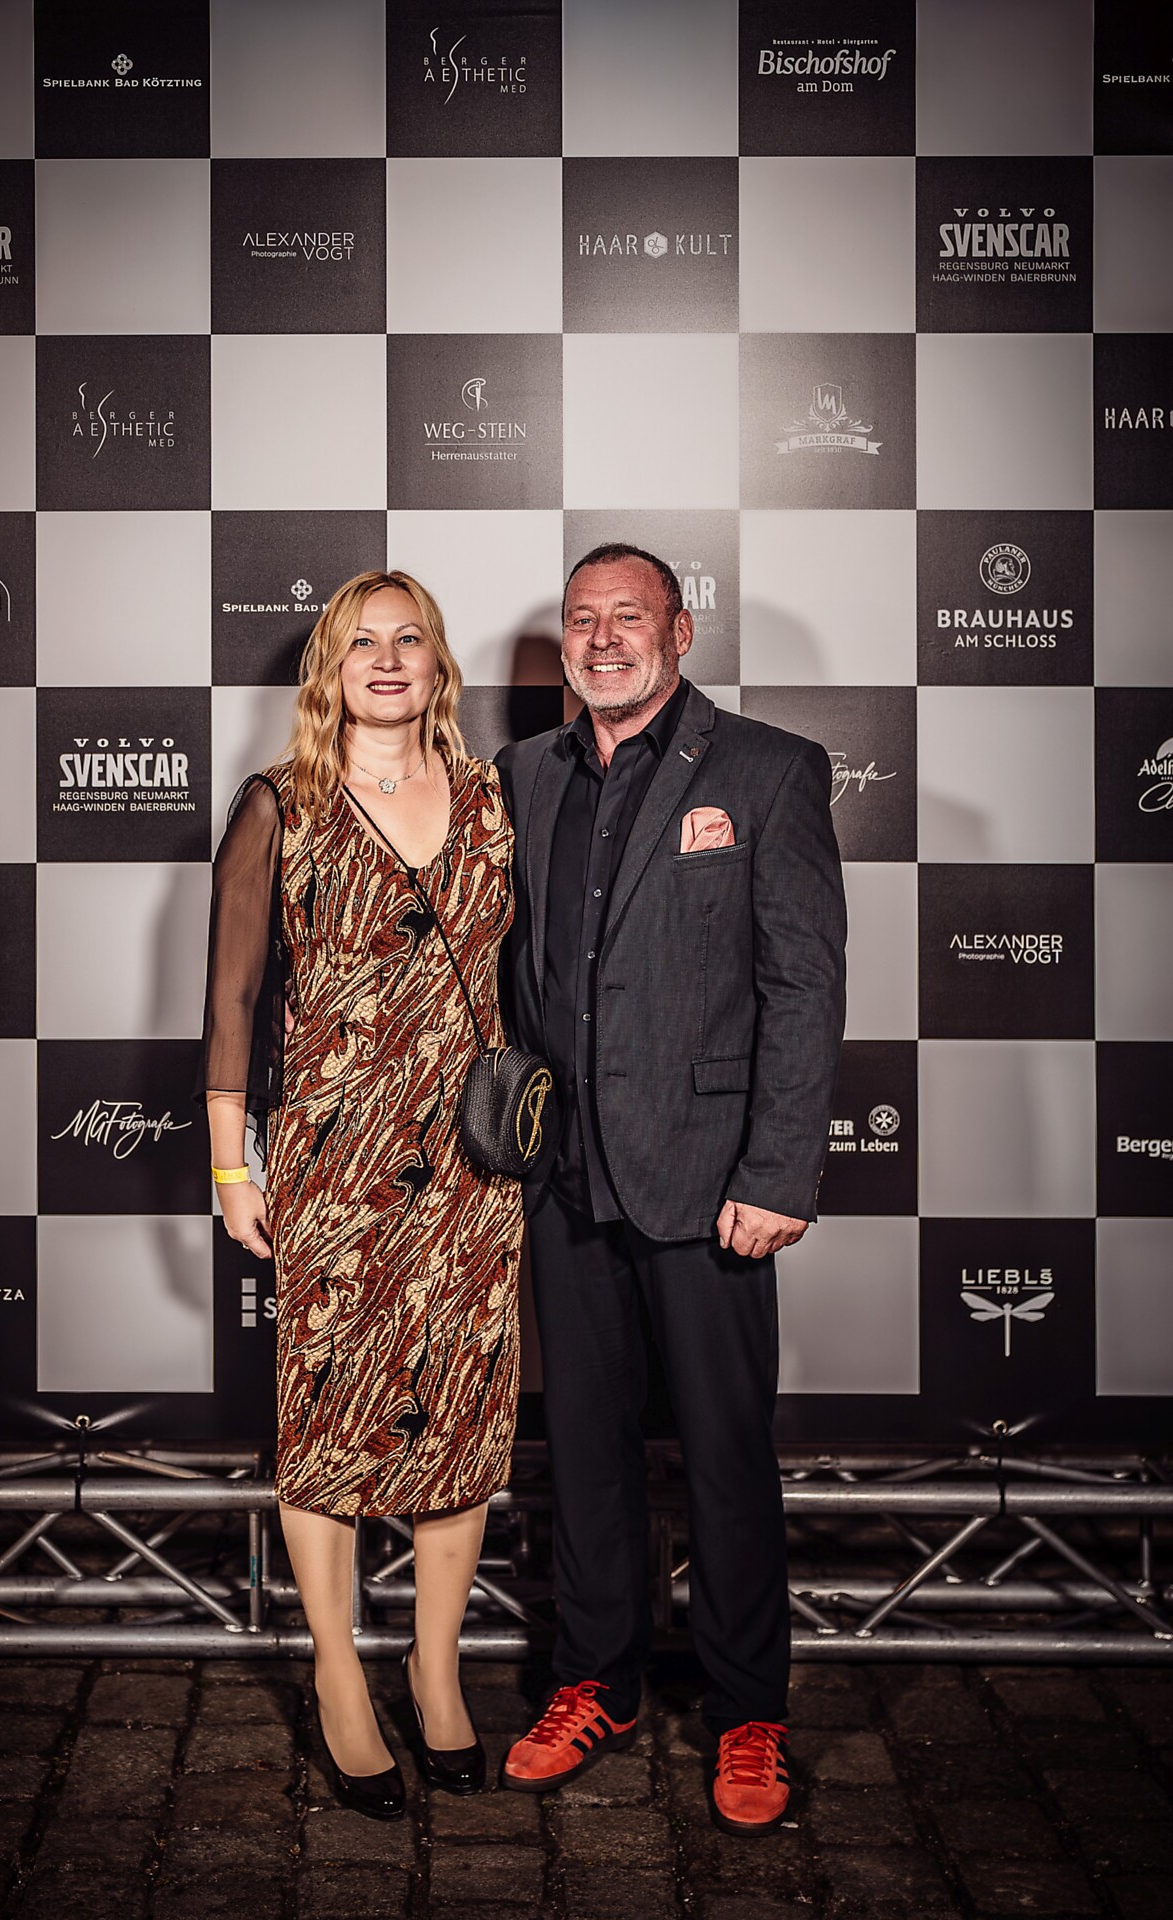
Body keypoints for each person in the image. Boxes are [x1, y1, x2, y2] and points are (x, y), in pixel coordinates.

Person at [495, 544, 846, 1833]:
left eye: (626, 617)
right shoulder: (522, 774)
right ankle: (596, 1682)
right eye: (581, 620)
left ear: (679, 631)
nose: (601, 640)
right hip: (563, 1178)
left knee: (724, 1454)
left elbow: (802, 986)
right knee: (582, 1449)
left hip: (709, 1184)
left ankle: (750, 1709)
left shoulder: (767, 769)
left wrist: (777, 1171)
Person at [200, 570, 523, 1820]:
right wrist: (232, 1167)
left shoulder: (495, 799)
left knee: (459, 1419)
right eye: (360, 643)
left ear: (437, 665)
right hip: (333, 1161)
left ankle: (435, 1675)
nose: (386, 661)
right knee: (328, 1421)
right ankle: (338, 1674)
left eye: (408, 640)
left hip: (472, 1166)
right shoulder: (280, 804)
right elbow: (232, 1000)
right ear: (327, 670)